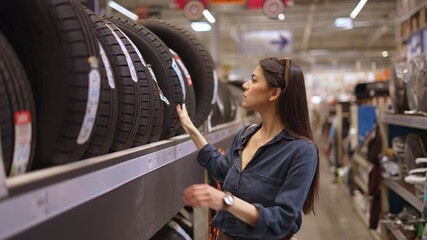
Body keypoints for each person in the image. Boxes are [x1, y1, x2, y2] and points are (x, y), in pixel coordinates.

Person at [176, 57, 319, 240]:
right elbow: (221, 168)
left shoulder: (302, 151)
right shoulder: (246, 135)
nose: (245, 85)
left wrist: (225, 201)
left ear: (274, 93)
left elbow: (283, 219)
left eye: (254, 80)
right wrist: (190, 128)